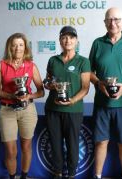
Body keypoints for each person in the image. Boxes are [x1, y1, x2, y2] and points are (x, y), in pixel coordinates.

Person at [89, 7, 122, 179]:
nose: (113, 23)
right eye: (109, 20)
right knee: (100, 142)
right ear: (105, 22)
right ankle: (97, 175)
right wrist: (99, 83)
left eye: (117, 19)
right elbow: (89, 72)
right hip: (102, 103)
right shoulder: (97, 43)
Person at [0, 33, 44, 179]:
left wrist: (29, 96)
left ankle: (24, 176)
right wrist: (11, 96)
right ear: (10, 47)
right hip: (7, 110)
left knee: (26, 146)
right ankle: (12, 176)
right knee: (10, 150)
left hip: (27, 110)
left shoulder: (31, 66)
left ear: (25, 47)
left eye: (21, 45)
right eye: (14, 45)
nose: (18, 48)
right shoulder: (1, 65)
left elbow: (41, 91)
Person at [44, 26, 90, 179]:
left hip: (73, 110)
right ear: (60, 40)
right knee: (55, 144)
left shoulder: (83, 61)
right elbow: (48, 81)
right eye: (64, 37)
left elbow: (85, 88)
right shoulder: (53, 60)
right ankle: (57, 173)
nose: (67, 40)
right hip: (53, 109)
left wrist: (72, 100)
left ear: (76, 41)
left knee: (72, 144)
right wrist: (48, 84)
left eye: (71, 37)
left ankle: (71, 174)